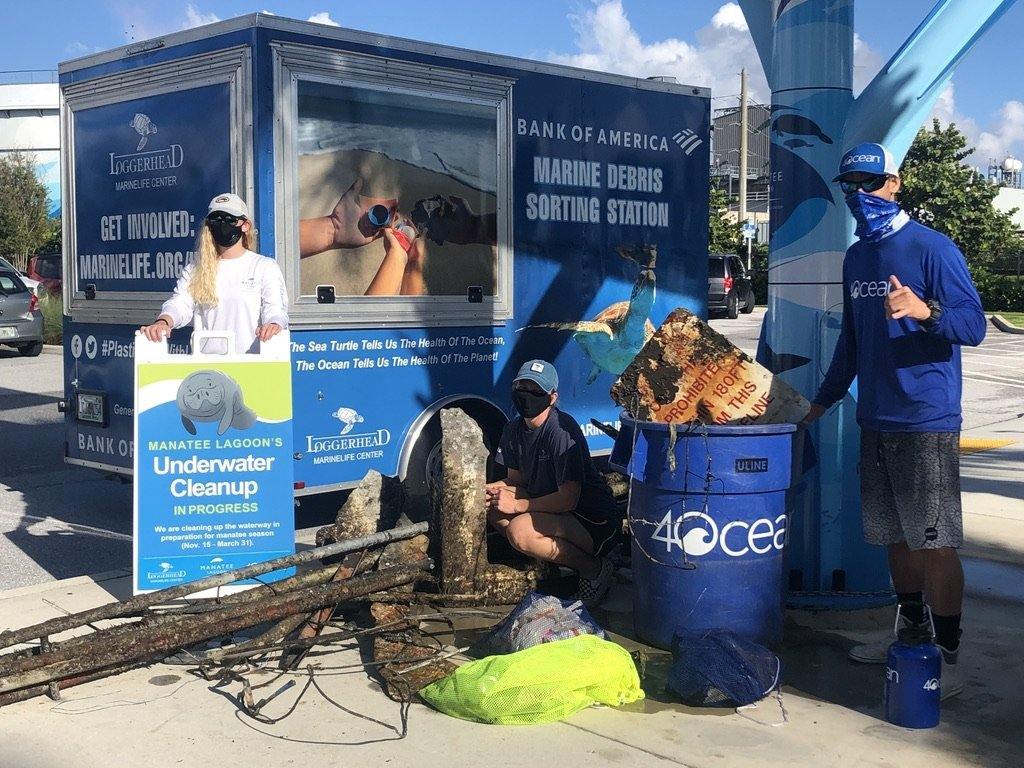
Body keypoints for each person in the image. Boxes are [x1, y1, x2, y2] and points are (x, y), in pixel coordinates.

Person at [803, 142, 986, 699]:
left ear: (894, 182)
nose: (860, 195)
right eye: (849, 186)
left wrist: (924, 311)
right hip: (876, 422)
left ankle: (946, 658)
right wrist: (821, 402)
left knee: (934, 541)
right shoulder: (856, 259)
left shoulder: (932, 248)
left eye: (870, 183)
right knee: (894, 538)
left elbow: (974, 325)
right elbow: (851, 345)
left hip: (926, 422)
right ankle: (910, 633)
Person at [486, 360, 622, 607]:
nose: (527, 396)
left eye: (536, 391)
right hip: (551, 507)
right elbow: (516, 481)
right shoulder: (512, 430)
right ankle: (550, 562)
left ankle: (593, 568)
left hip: (589, 517)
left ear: (552, 397)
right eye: (521, 388)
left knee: (520, 531)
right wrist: (490, 490)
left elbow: (568, 498)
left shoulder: (561, 430)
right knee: (492, 506)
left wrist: (517, 505)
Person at [141, 193, 288, 353]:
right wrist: (164, 321)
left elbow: (275, 310)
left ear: (245, 225)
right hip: (207, 366)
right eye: (216, 220)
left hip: (250, 364)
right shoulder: (196, 268)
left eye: (229, 219)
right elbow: (180, 303)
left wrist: (273, 325)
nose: (222, 225)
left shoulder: (264, 267)